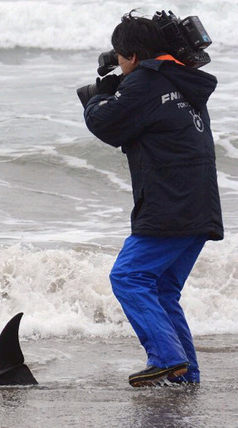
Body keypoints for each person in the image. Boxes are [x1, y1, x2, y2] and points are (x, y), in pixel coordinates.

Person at [80, 12, 223, 387]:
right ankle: (184, 372)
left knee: (127, 276)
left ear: (132, 56)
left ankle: (166, 357)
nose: (119, 62)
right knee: (161, 288)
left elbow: (107, 123)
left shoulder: (145, 81)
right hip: (201, 206)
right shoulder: (183, 81)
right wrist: (120, 90)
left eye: (120, 55)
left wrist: (96, 100)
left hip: (169, 206)